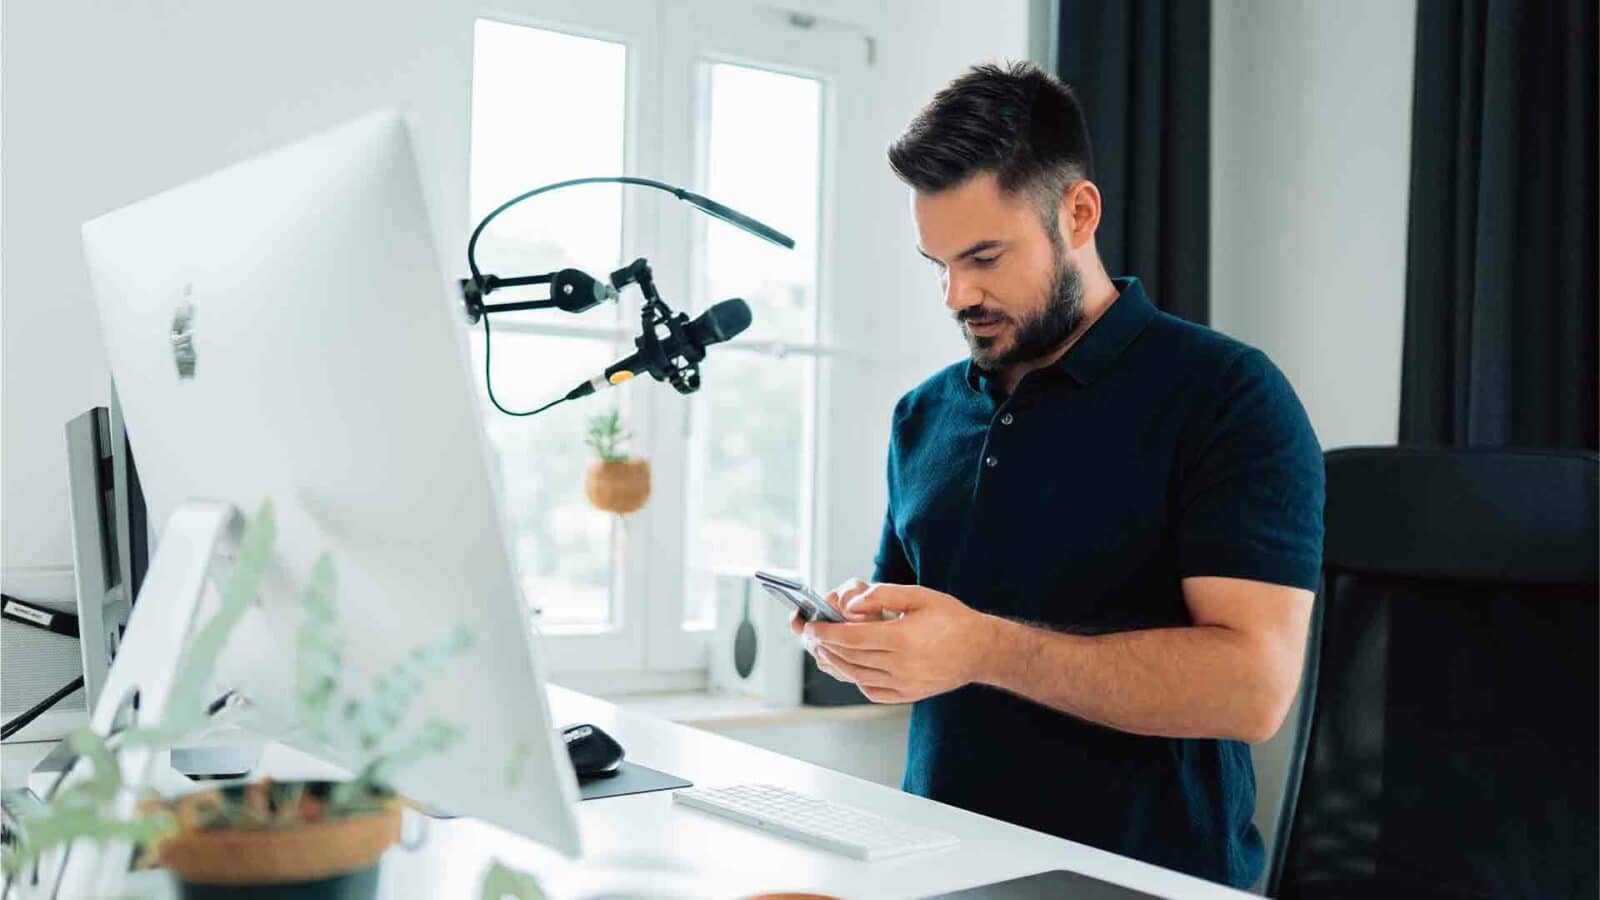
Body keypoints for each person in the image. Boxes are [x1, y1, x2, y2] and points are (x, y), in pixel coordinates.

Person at [789, 61, 1324, 889]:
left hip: (1142, 883)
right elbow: (924, 648)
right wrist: (859, 645)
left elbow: (1252, 690)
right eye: (937, 264)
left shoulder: (1227, 396)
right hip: (937, 873)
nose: (956, 294)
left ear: (1077, 212)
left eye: (985, 257)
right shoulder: (920, 416)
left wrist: (983, 647)